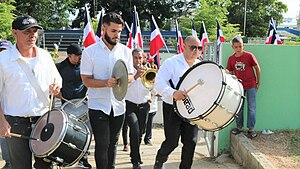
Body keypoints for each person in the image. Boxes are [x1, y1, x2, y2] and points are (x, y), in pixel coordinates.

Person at [0, 15, 62, 169]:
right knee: (20, 166)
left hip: (43, 120)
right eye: (26, 31)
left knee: (46, 166)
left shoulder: (45, 56)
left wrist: (56, 88)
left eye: (34, 31)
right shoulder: (3, 59)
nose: (32, 35)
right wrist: (1, 122)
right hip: (15, 122)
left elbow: (57, 80)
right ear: (15, 33)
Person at [80, 12, 134, 169]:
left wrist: (126, 79)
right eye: (113, 31)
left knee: (113, 144)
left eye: (119, 31)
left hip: (118, 106)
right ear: (103, 28)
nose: (117, 35)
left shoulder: (125, 51)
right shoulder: (90, 52)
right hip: (98, 105)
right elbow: (86, 80)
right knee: (102, 144)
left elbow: (130, 75)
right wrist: (105, 83)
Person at [153, 36, 202, 169]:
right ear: (183, 47)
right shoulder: (171, 63)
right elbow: (158, 83)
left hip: (192, 110)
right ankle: (160, 160)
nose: (196, 50)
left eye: (199, 48)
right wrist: (173, 93)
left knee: (191, 142)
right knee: (172, 141)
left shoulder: (201, 66)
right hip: (172, 108)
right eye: (193, 47)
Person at [55, 43, 91, 168]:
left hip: (83, 105)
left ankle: (84, 158)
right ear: (69, 55)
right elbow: (52, 82)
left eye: (81, 55)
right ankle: (66, 157)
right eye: (77, 56)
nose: (80, 58)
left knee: (86, 132)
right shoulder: (59, 67)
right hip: (67, 106)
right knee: (68, 133)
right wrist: (56, 93)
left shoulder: (85, 66)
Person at [226, 36, 261, 139]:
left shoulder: (249, 56)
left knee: (252, 108)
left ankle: (251, 129)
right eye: (236, 47)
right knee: (239, 108)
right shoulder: (231, 59)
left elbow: (257, 69)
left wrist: (258, 82)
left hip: (251, 85)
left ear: (243, 45)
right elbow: (229, 72)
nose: (238, 49)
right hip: (239, 87)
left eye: (240, 46)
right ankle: (239, 127)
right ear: (233, 47)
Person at [125, 48, 151, 169]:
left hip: (144, 106)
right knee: (134, 131)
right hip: (129, 105)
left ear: (144, 58)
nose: (138, 60)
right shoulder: (128, 71)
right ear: (132, 58)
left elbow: (152, 87)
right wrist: (136, 76)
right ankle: (135, 160)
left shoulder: (148, 70)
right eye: (135, 58)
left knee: (140, 132)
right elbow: (124, 86)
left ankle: (135, 153)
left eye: (140, 58)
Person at [0, 40, 12, 169]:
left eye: (5, 51)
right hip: (1, 112)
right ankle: (8, 163)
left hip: (14, 111)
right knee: (3, 137)